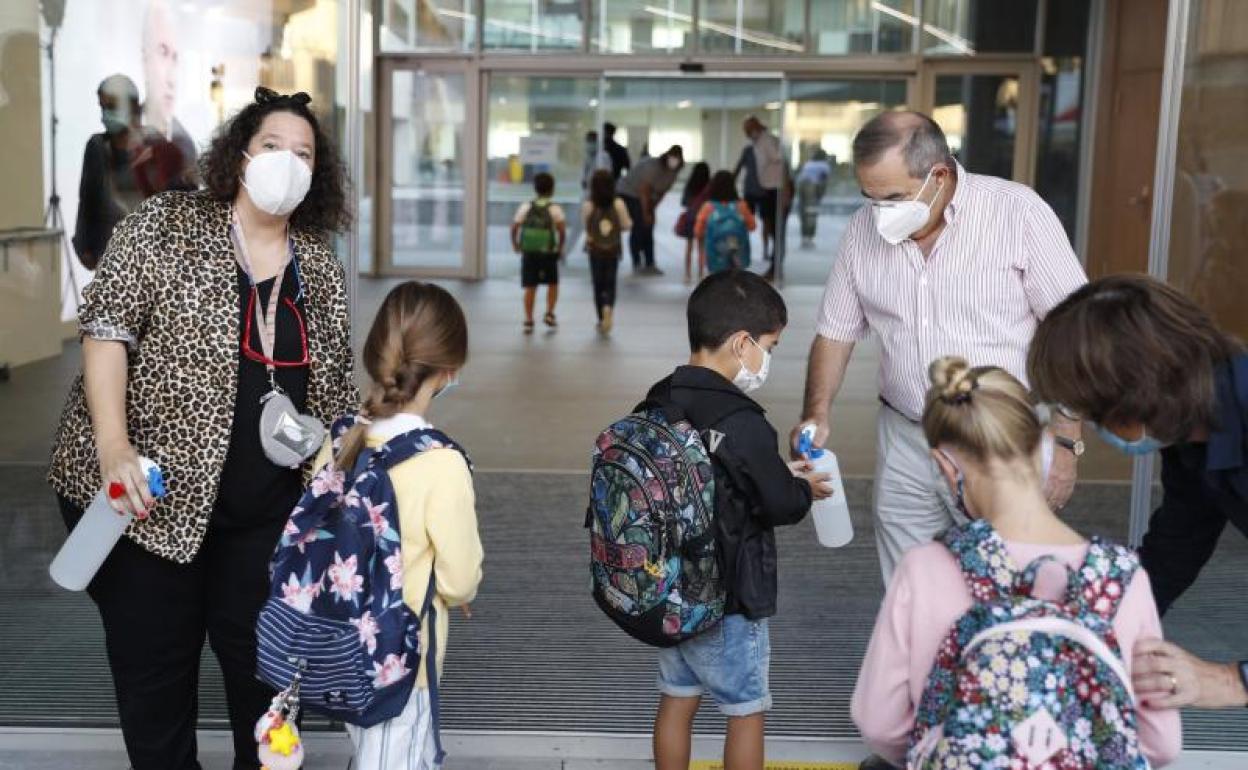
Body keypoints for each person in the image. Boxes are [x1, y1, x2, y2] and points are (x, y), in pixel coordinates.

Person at [47, 87, 358, 770]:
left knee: (270, 690)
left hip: (266, 522)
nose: (288, 163)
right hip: (149, 511)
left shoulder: (320, 267)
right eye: (273, 147)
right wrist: (114, 449)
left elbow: (336, 397)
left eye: (304, 154)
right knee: (154, 685)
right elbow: (105, 330)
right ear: (239, 155)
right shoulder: (167, 224)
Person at [792, 110, 1087, 584]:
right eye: (870, 198)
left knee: (1006, 584)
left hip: (1001, 441)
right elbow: (836, 331)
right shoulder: (861, 232)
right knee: (909, 592)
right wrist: (817, 411)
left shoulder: (1018, 213)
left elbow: (1075, 330)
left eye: (893, 198)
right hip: (906, 439)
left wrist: (1068, 441)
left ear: (940, 174)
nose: (879, 213)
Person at [851, 357, 1182, 769]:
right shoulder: (1121, 576)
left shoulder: (925, 568)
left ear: (944, 466)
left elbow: (880, 724)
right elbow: (1161, 742)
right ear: (1043, 443)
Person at [1026, 274, 1248, 705]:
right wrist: (1092, 624)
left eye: (1092, 413)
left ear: (1138, 395)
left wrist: (1229, 681)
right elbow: (1174, 550)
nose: (1091, 426)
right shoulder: (1192, 437)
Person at [648, 271, 830, 770]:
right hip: (729, 597)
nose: (767, 359)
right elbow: (780, 504)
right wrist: (801, 487)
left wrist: (773, 474)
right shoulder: (742, 419)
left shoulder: (660, 397)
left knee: (676, 699)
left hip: (671, 589)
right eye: (769, 346)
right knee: (746, 710)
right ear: (741, 343)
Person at [317, 281, 484, 769]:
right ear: (449, 369)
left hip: (337, 640)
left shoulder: (342, 437)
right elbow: (459, 577)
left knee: (371, 747)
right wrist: (454, 593)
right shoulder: (440, 462)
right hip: (399, 657)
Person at [72, 75, 147, 271]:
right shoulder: (97, 147)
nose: (106, 114)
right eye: (102, 107)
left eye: (112, 107)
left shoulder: (154, 148)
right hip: (107, 258)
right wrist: (83, 245)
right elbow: (87, 200)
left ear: (131, 107)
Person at [141, 0, 197, 185]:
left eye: (175, 58)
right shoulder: (113, 143)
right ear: (145, 59)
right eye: (163, 53)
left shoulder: (186, 146)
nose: (171, 78)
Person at [615, 144, 685, 276]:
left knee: (649, 226)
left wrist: (652, 211)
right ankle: (637, 263)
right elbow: (644, 191)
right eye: (672, 157)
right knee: (639, 224)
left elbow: (662, 192)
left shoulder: (673, 173)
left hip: (646, 196)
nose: (674, 161)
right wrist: (646, 212)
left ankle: (650, 263)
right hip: (629, 193)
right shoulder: (652, 166)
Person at [511, 172, 566, 333]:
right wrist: (560, 247)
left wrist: (516, 244)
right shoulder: (555, 208)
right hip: (548, 252)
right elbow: (562, 231)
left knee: (530, 286)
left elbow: (514, 227)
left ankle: (528, 320)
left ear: (535, 189)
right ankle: (549, 313)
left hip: (529, 252)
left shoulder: (526, 207)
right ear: (552, 189)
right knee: (552, 283)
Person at [582, 168, 632, 335]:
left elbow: (586, 226)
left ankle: (600, 319)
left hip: (594, 249)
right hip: (613, 250)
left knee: (597, 284)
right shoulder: (618, 204)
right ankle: (608, 307)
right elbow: (626, 225)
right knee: (610, 283)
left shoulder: (589, 204)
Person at [738, 117, 784, 267]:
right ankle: (769, 257)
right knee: (761, 222)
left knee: (772, 225)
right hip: (763, 187)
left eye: (748, 130)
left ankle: (774, 262)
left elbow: (777, 157)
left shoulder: (767, 140)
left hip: (771, 187)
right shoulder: (755, 144)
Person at [694, 170, 757, 276]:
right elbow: (752, 226)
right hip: (739, 256)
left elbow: (698, 231)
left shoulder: (708, 207)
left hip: (716, 258)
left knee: (718, 284)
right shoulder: (741, 205)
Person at [676, 161, 711, 281]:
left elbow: (684, 202)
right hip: (704, 219)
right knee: (701, 247)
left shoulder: (690, 185)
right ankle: (701, 274)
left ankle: (687, 274)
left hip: (690, 218)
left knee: (689, 247)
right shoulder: (709, 187)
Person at [796, 148, 832, 248]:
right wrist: (820, 196)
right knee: (811, 212)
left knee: (803, 212)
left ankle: (804, 237)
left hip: (801, 186)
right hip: (811, 187)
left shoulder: (809, 163)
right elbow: (823, 181)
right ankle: (809, 238)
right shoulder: (824, 166)